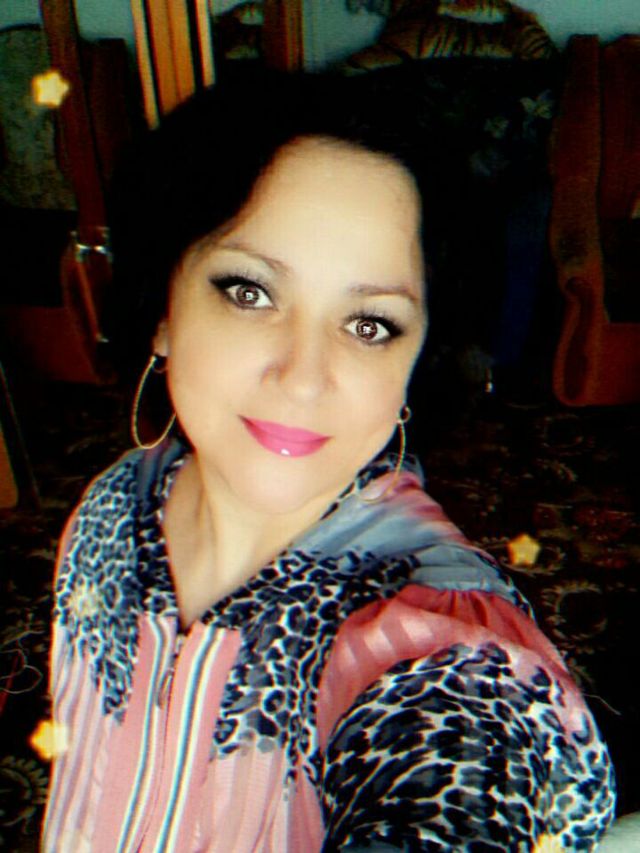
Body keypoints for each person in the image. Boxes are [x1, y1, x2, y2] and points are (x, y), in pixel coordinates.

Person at [43, 71, 614, 852]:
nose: (304, 377)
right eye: (249, 291)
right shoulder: (111, 505)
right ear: (163, 308)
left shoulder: (443, 645)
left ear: (418, 360)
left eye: (371, 324)